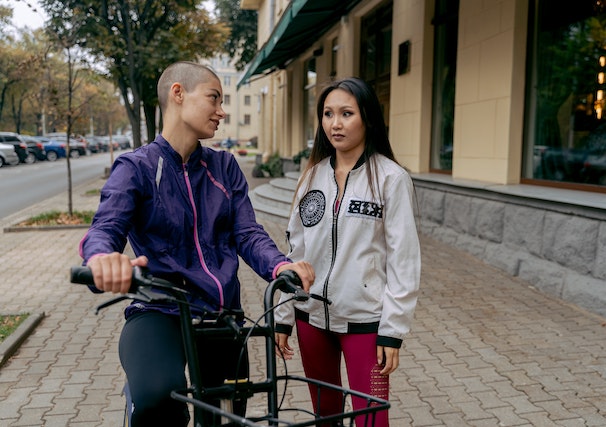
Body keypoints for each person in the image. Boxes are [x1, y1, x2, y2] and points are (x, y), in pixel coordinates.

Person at [79, 61, 314, 427]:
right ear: (178, 93)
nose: (222, 111)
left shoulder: (224, 167)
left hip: (222, 312)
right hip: (160, 310)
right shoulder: (136, 167)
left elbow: (247, 233)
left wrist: (280, 266)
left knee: (228, 415)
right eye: (214, 98)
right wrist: (101, 259)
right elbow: (106, 228)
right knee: (159, 398)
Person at [274, 77, 421, 427]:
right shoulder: (310, 177)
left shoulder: (390, 178)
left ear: (367, 118)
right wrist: (283, 316)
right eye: (327, 114)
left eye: (346, 113)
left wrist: (393, 330)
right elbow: (295, 250)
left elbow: (405, 259)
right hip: (311, 319)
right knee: (325, 416)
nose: (335, 124)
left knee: (372, 419)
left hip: (365, 324)